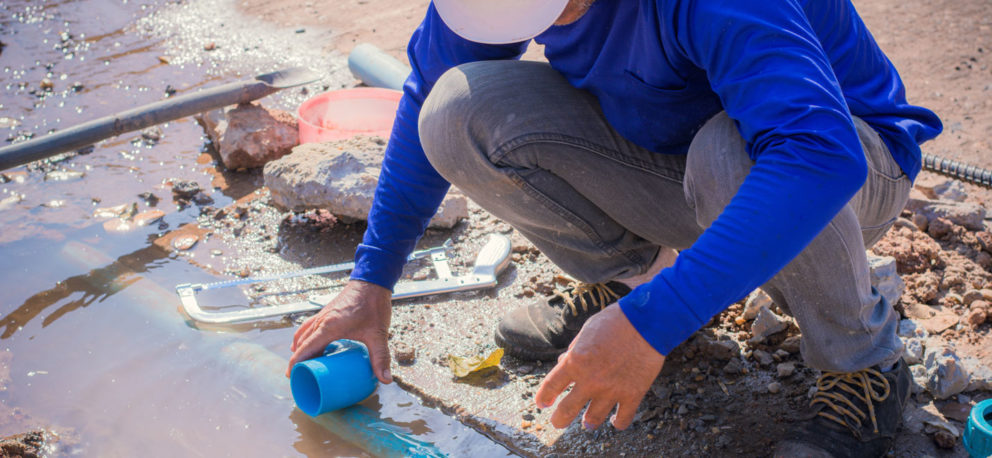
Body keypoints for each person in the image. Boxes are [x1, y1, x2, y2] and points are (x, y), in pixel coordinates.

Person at [288, 0, 942, 455]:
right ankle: (640, 280)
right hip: (679, 153)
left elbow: (816, 155)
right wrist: (371, 280)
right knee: (455, 112)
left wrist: (657, 322)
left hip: (846, 165)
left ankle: (862, 365)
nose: (561, 24)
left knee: (730, 153)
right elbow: (427, 89)